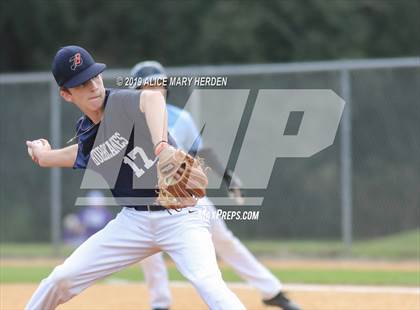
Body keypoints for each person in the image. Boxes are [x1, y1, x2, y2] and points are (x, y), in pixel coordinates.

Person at [25, 45, 244, 310]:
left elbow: (152, 99)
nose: (93, 86)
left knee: (208, 282)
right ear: (66, 94)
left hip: (181, 217)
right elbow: (82, 154)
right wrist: (44, 156)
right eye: (81, 84)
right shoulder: (86, 131)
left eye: (94, 77)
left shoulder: (119, 101)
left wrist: (162, 147)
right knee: (61, 278)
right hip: (134, 222)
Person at [132, 61, 301, 310]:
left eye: (159, 85)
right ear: (137, 92)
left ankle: (271, 291)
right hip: (149, 198)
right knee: (149, 252)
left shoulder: (180, 117)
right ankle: (160, 303)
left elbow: (202, 150)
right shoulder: (129, 122)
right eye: (148, 86)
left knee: (224, 240)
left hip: (188, 195)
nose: (155, 90)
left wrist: (227, 176)